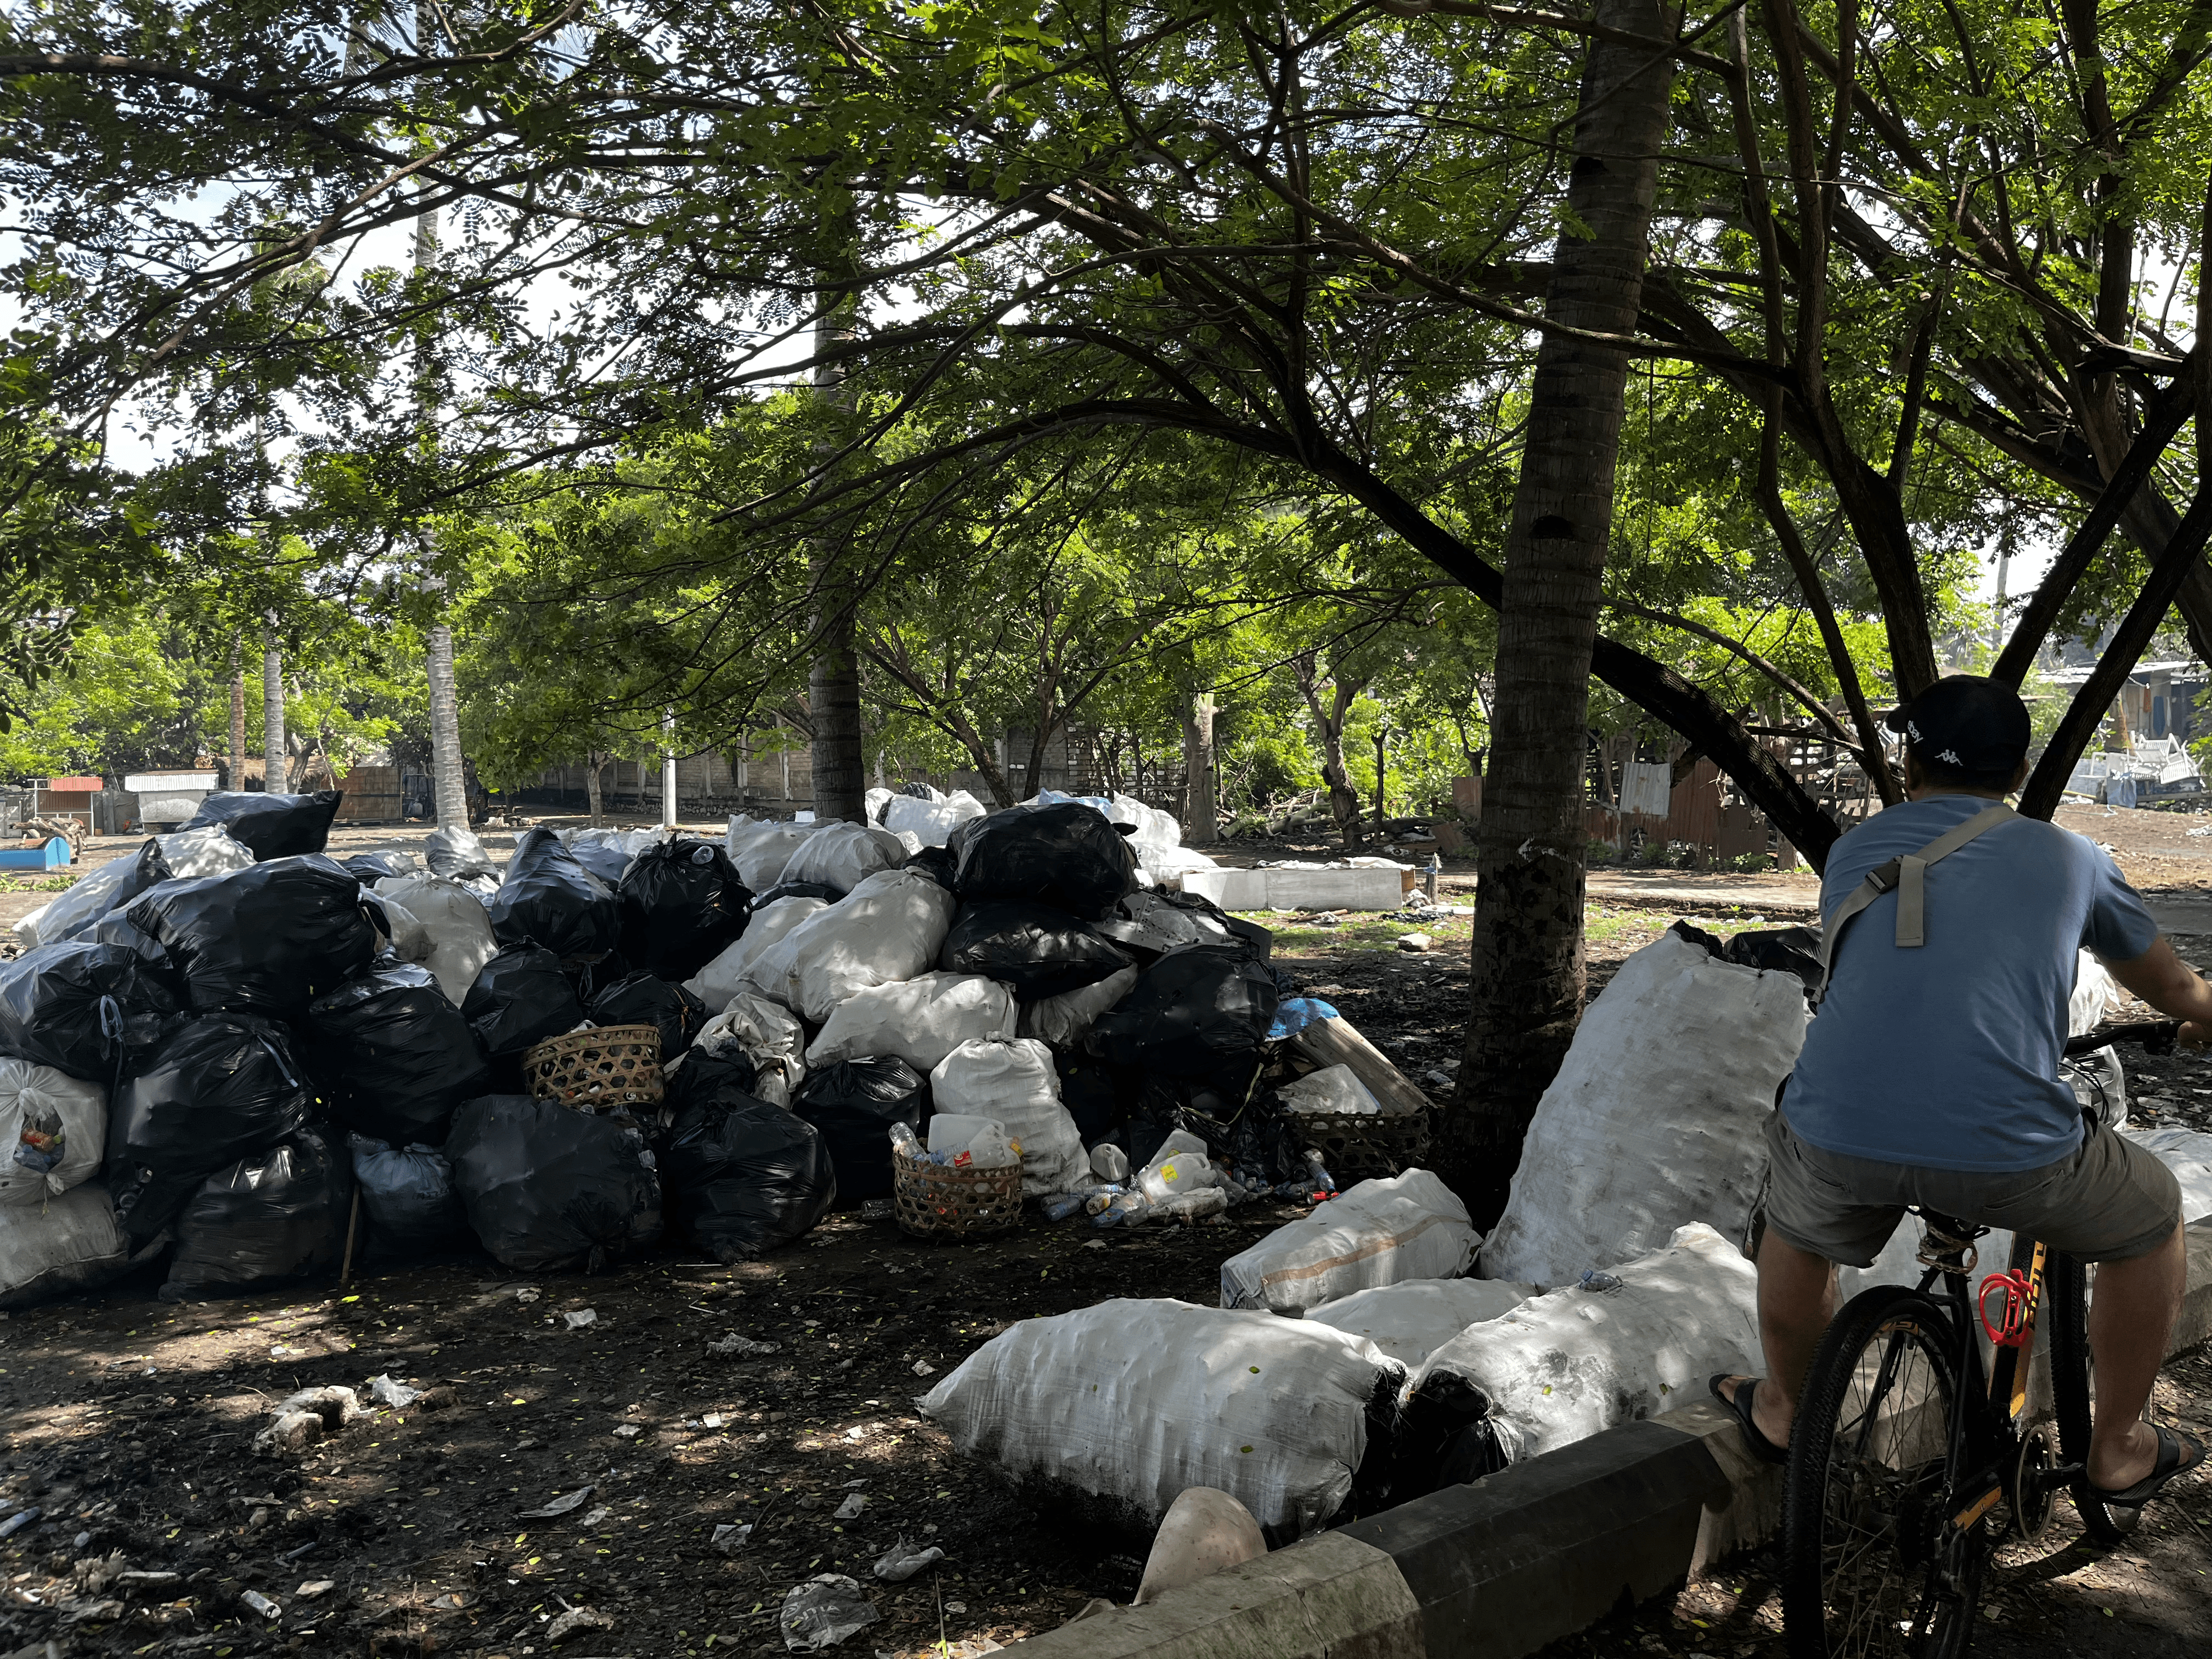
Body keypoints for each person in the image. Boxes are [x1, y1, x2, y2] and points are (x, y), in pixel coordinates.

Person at [1711, 674, 2207, 1509]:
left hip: (1840, 1132)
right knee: (2154, 1218)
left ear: (1908, 768)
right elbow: (2170, 986)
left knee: (1795, 1226)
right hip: (2009, 1150)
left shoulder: (1855, 851)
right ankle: (2118, 1449)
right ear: (2017, 772)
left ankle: (1786, 1408)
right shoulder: (2074, 858)